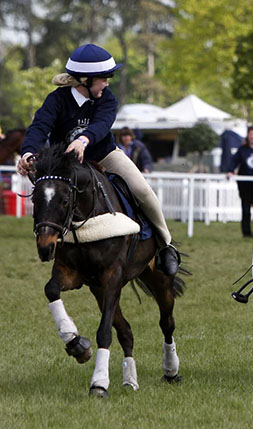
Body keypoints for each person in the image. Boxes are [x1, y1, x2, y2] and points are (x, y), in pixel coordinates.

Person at [17, 43, 180, 276]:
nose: (107, 83)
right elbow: (39, 127)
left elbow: (102, 126)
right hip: (66, 162)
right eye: (103, 78)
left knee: (143, 190)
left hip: (105, 155)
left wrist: (83, 140)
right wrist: (27, 153)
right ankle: (49, 238)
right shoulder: (56, 100)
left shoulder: (107, 98)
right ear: (84, 80)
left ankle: (166, 245)